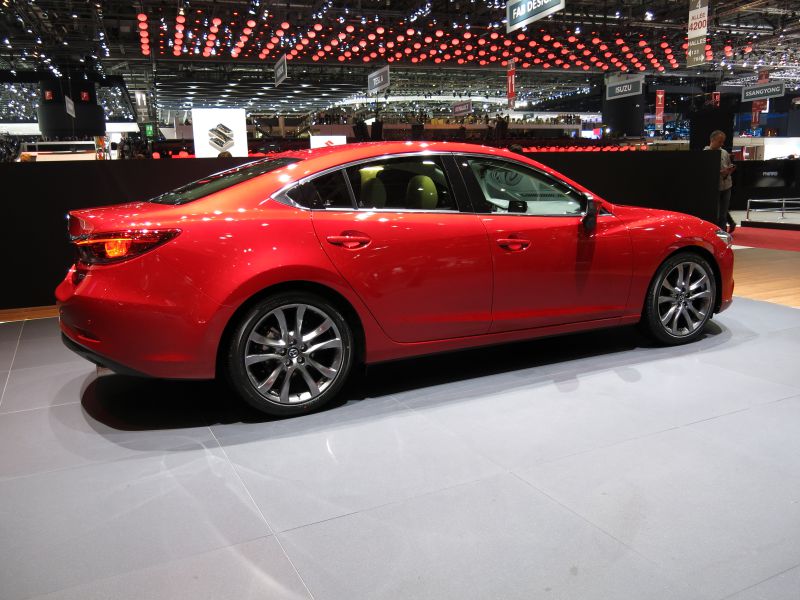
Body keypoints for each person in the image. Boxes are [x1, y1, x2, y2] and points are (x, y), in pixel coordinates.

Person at [704, 130, 736, 233]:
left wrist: (730, 169)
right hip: (714, 188)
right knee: (716, 214)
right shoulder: (705, 154)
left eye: (723, 141)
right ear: (712, 140)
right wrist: (720, 172)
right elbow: (705, 173)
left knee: (723, 213)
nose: (722, 144)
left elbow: (728, 165)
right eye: (720, 141)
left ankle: (723, 234)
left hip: (727, 186)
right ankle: (718, 232)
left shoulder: (724, 152)